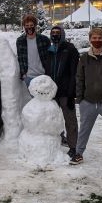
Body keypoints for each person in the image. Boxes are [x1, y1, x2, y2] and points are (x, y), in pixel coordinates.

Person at [70, 28, 102, 168]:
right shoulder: (84, 58)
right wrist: (80, 99)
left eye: (99, 38)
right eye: (94, 38)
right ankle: (79, 153)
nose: (97, 40)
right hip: (88, 101)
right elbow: (79, 79)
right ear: (90, 40)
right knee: (84, 130)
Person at [44, 26, 79, 158]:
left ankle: (73, 146)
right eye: (53, 33)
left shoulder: (70, 49)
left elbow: (74, 73)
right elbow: (47, 71)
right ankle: (58, 140)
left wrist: (71, 94)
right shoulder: (50, 50)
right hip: (52, 92)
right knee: (52, 118)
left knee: (70, 119)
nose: (55, 35)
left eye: (58, 33)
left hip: (65, 92)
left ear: (62, 34)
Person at [16, 14, 50, 87]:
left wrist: (48, 71)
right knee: (32, 98)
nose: (29, 27)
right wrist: (23, 73)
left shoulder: (44, 39)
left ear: (35, 25)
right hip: (28, 77)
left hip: (43, 75)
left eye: (31, 25)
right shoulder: (20, 41)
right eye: (27, 25)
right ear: (24, 26)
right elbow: (20, 58)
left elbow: (49, 57)